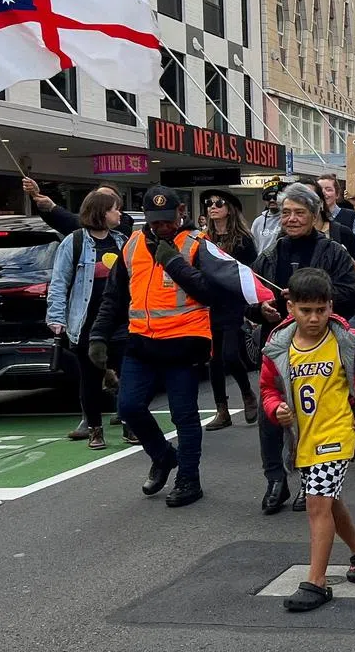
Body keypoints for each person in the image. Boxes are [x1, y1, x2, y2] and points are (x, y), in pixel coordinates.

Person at [261, 268, 355, 612]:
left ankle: (316, 583)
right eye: (306, 310)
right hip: (304, 437)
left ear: (331, 305)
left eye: (322, 309)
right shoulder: (278, 348)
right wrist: (277, 409)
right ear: (291, 308)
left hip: (338, 434)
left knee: (317, 503)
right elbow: (268, 389)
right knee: (329, 501)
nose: (315, 318)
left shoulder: (349, 341)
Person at [89, 186, 221, 508]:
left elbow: (211, 292)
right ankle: (163, 457)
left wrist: (175, 263)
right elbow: (114, 297)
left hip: (184, 343)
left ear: (180, 213)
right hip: (142, 343)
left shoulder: (197, 245)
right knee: (129, 407)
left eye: (168, 220)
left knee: (184, 416)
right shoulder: (132, 245)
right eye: (156, 221)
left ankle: (189, 480)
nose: (163, 226)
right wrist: (98, 335)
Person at [248, 183, 355, 515]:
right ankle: (275, 480)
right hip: (281, 346)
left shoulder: (333, 252)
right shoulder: (269, 254)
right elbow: (250, 296)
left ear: (315, 215)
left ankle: (309, 482)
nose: (292, 219)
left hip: (321, 346)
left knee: (313, 414)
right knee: (273, 412)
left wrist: (310, 303)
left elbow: (351, 294)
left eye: (299, 213)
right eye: (285, 213)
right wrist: (260, 310)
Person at [46, 191, 134, 449]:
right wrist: (56, 317)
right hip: (85, 323)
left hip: (120, 323)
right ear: (101, 212)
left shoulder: (122, 241)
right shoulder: (74, 243)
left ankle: (130, 425)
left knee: (128, 376)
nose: (120, 214)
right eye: (115, 209)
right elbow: (60, 283)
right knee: (91, 378)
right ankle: (95, 429)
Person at [200, 188, 259, 431]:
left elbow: (250, 272)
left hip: (233, 303)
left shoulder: (243, 240)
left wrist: (252, 305)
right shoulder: (204, 239)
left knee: (231, 355)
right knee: (213, 359)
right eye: (209, 203)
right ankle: (221, 410)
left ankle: (247, 393)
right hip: (209, 304)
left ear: (229, 209)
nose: (213, 207)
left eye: (219, 203)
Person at [22, 177, 136, 239]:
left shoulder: (123, 235)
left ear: (118, 206)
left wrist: (53, 207)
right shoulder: (73, 242)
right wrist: (36, 196)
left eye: (106, 198)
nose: (100, 201)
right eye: (97, 197)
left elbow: (74, 223)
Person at [319, 174, 355, 256]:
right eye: (319, 190)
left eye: (328, 190)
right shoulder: (311, 219)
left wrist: (344, 247)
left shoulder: (353, 217)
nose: (323, 193)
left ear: (337, 194)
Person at [251, 186, 283, 253]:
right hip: (262, 261)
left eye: (275, 197)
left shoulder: (287, 219)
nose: (272, 200)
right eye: (268, 198)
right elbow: (253, 246)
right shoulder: (258, 221)